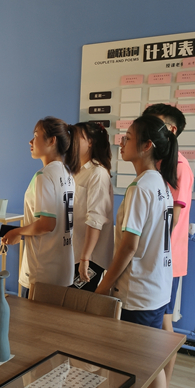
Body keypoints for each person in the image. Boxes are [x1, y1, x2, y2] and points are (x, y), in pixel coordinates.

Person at [95, 115, 178, 388]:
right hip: (156, 289)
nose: (121, 142)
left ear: (147, 146)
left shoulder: (141, 187)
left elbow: (129, 247)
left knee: (126, 369)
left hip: (137, 293)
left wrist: (103, 287)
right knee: (151, 363)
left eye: (128, 137)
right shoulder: (160, 184)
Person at [136, 103, 193, 388]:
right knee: (160, 327)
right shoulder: (159, 165)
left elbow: (172, 217)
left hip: (165, 261)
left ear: (169, 130)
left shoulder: (179, 166)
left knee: (163, 328)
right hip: (156, 260)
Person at [1, 116, 78, 294]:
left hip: (43, 270)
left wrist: (17, 232)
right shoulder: (68, 174)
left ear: (52, 141)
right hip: (63, 268)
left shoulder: (44, 175)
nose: (30, 141)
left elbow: (46, 224)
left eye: (36, 136)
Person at [69, 122, 114, 292]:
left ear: (90, 142)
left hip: (89, 257)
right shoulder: (78, 171)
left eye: (76, 137)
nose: (71, 141)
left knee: (77, 302)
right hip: (76, 253)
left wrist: (85, 257)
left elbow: (96, 218)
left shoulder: (98, 173)